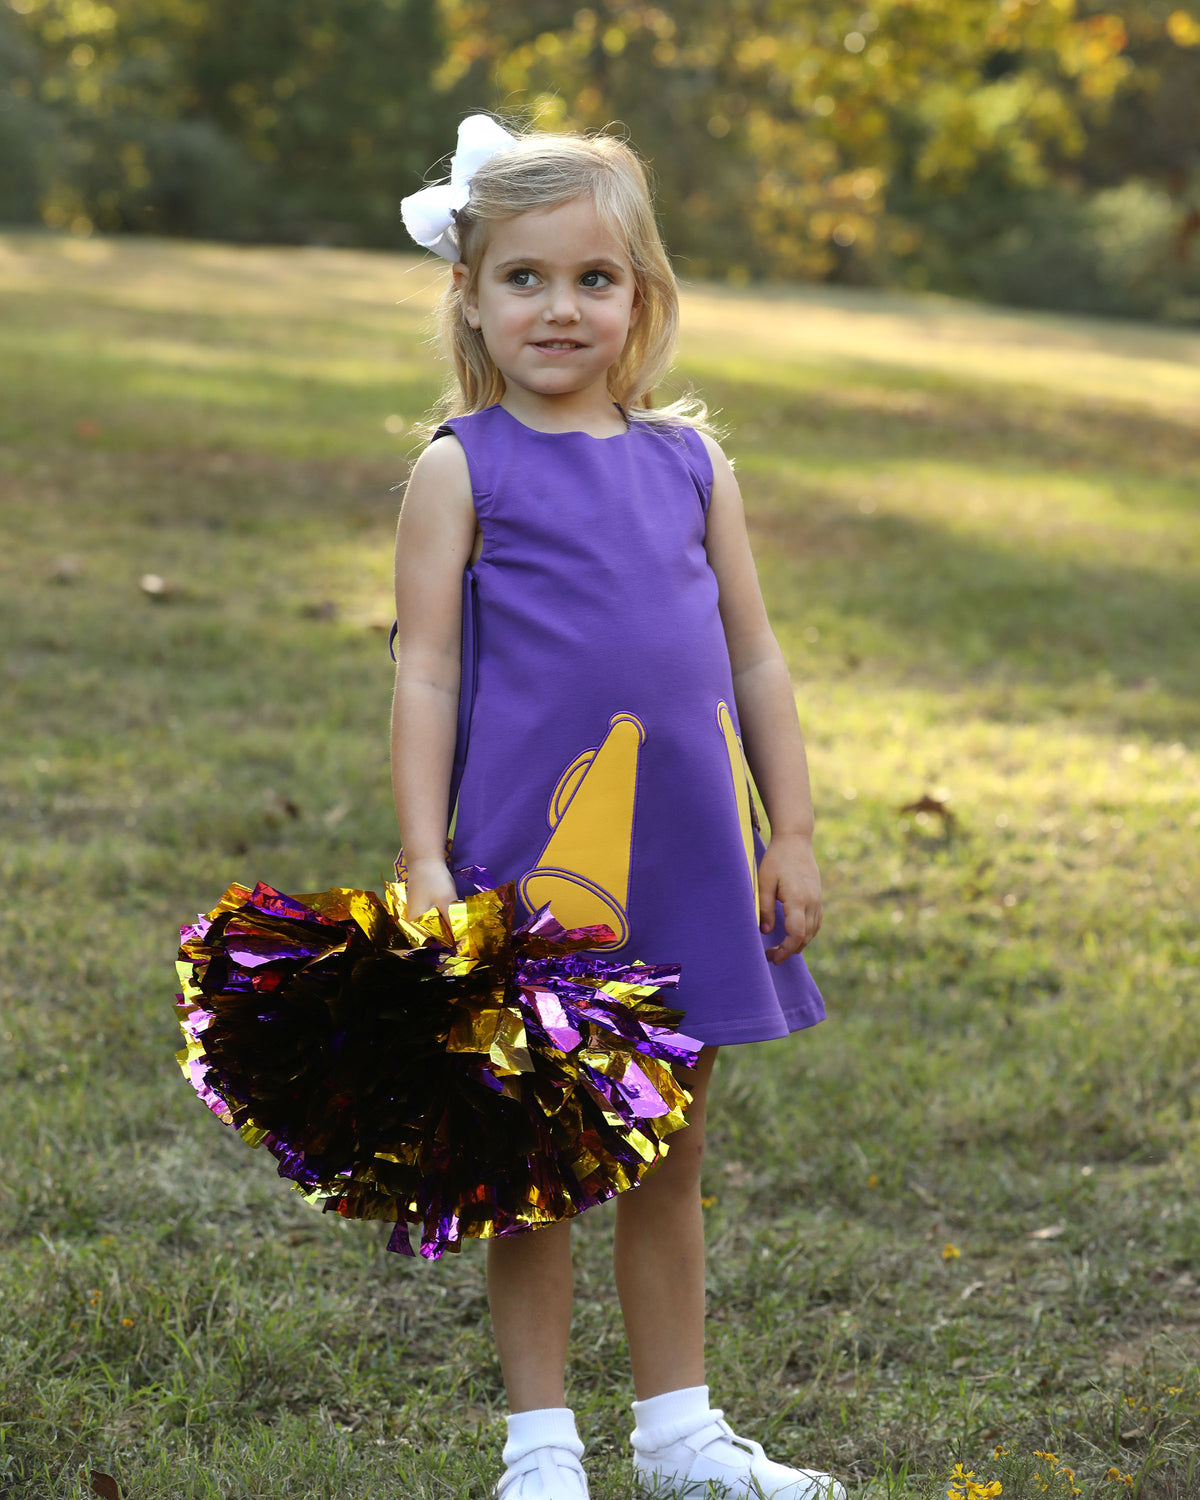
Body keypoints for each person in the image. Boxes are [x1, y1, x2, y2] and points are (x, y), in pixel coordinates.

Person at [391, 113, 845, 1500]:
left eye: (593, 278)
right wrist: (423, 854)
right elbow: (424, 670)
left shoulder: (692, 465)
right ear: (470, 295)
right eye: (523, 277)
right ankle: (540, 1449)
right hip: (534, 866)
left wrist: (793, 828)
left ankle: (680, 1434)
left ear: (641, 297)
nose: (558, 308)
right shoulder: (462, 466)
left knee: (671, 1145)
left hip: (689, 858)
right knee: (532, 1152)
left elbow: (754, 657)